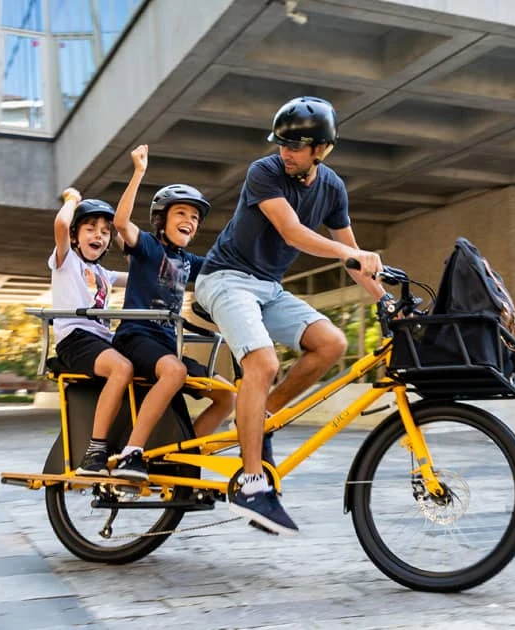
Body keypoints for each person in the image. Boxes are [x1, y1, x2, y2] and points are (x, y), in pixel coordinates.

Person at [195, 96, 388, 535]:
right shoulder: (263, 172)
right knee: (262, 362)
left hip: (268, 287)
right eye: (282, 144)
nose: (286, 153)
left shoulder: (332, 187)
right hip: (225, 278)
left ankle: (260, 420)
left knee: (332, 343)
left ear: (321, 150)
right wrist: (350, 252)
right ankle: (249, 482)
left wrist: (383, 298)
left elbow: (351, 259)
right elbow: (293, 232)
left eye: (296, 147)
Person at [111, 144, 236, 481]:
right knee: (175, 372)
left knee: (226, 396)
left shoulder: (189, 262)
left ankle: (184, 458)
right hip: (136, 338)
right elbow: (120, 222)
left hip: (167, 345)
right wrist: (138, 172)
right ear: (161, 218)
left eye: (194, 218)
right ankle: (131, 453)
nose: (190, 221)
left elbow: (223, 268)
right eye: (181, 213)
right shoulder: (149, 247)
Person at [49, 187, 132, 477]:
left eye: (105, 232)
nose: (98, 235)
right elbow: (61, 224)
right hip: (75, 339)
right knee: (122, 368)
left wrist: (119, 233)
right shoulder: (66, 262)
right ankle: (95, 450)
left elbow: (139, 269)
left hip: (100, 341)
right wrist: (72, 200)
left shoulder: (105, 274)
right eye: (90, 229)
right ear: (75, 236)